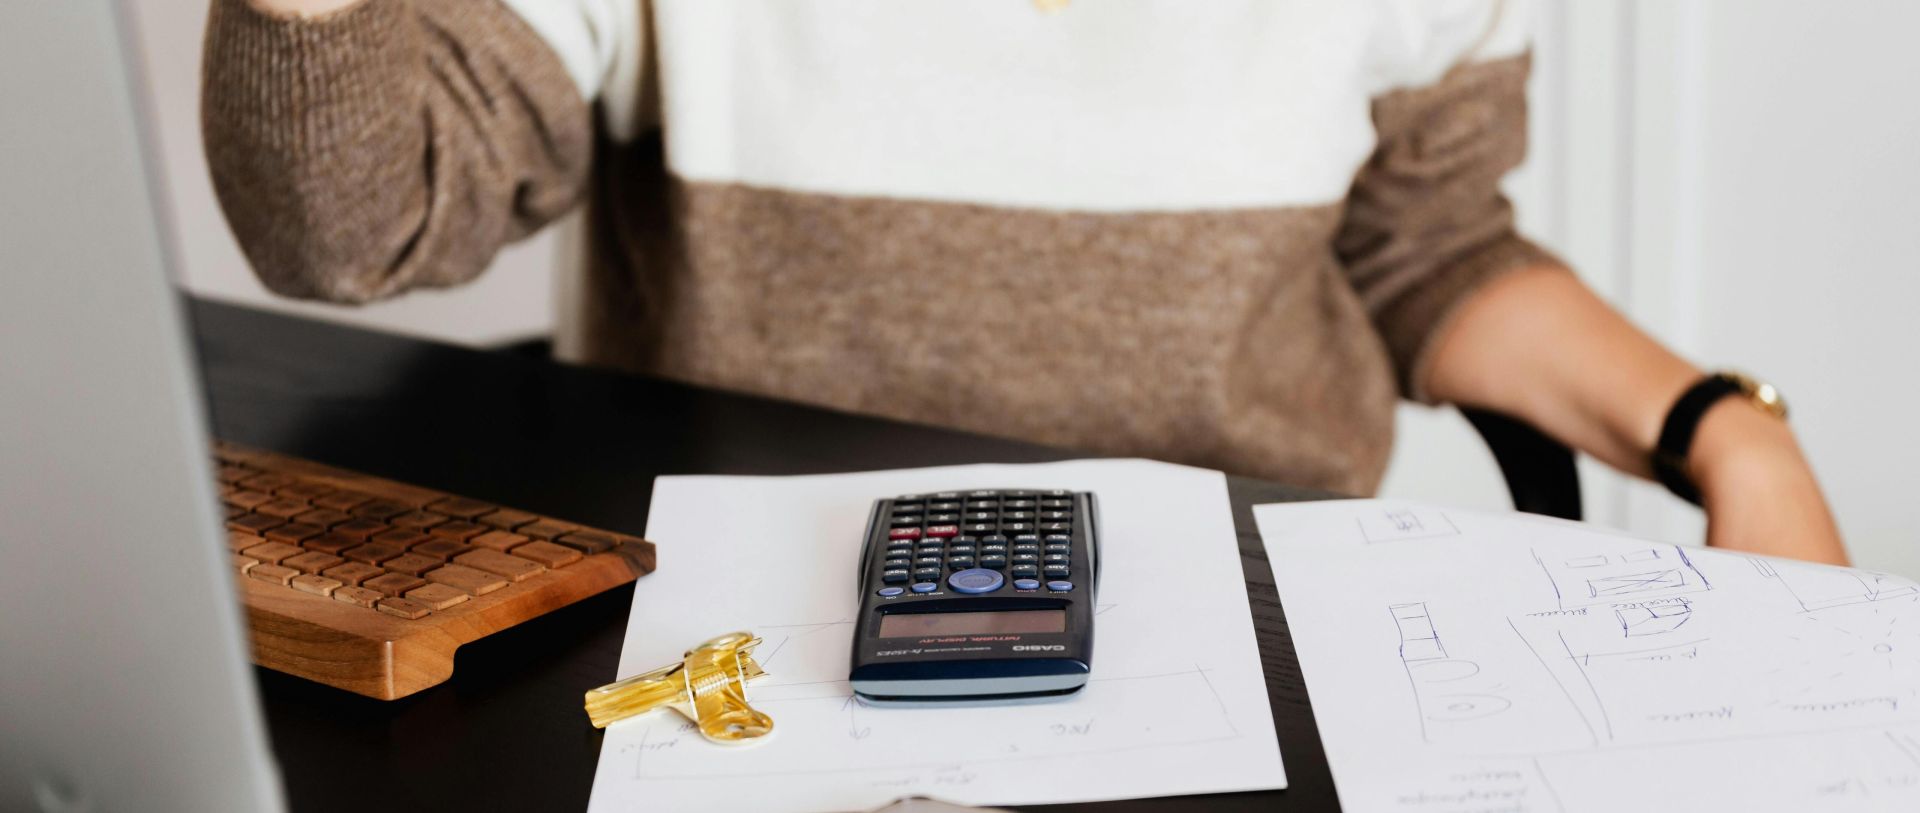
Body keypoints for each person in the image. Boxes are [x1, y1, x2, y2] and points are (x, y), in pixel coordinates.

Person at [200, 0, 1848, 564]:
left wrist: (1729, 430)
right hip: (740, 642)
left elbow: (1423, 247)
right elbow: (354, 221)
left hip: (1255, 618)